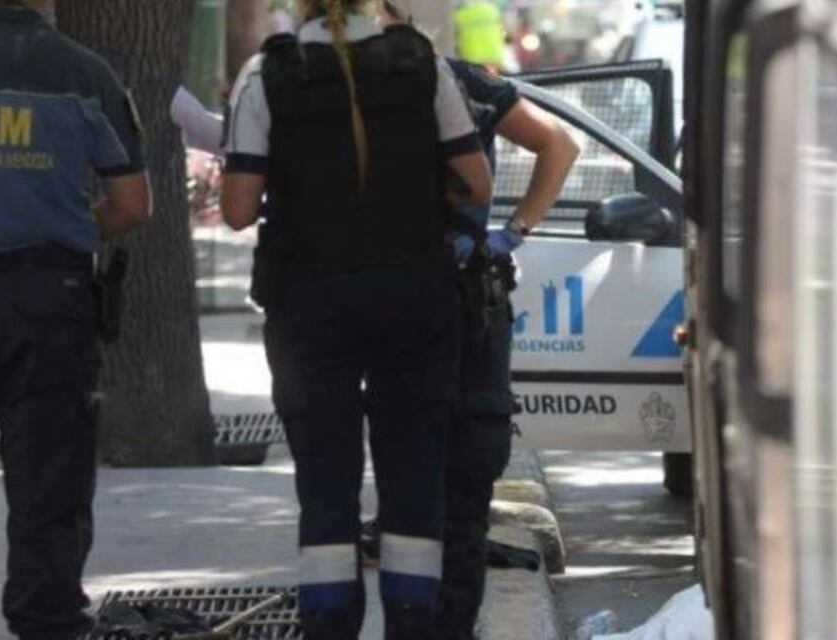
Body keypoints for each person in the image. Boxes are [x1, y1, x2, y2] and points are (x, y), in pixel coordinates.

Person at [219, 0, 492, 638]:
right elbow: (477, 183)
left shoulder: (268, 74)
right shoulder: (422, 64)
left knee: (325, 486)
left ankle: (329, 624)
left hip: (310, 310)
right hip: (415, 304)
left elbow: (237, 210)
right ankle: (414, 624)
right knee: (415, 479)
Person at [382, 3, 580, 638]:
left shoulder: (459, 81)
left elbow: (559, 143)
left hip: (458, 304)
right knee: (426, 491)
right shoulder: (349, 94)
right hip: (410, 308)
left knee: (457, 485)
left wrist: (512, 233)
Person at [0, 1, 151, 639]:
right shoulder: (85, 73)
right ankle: (45, 621)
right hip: (50, 301)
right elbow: (131, 205)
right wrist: (63, 224)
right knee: (50, 486)